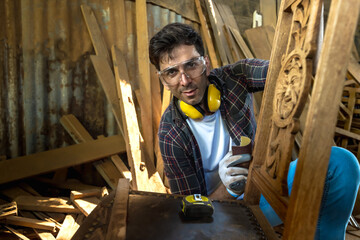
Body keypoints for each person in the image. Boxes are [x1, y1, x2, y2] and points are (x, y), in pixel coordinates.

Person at [149, 22, 360, 239]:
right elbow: (194, 213)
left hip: (261, 194)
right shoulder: (170, 135)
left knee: (340, 163)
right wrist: (229, 189)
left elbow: (289, 70)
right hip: (220, 217)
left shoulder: (235, 77)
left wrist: (313, 39)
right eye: (172, 72)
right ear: (164, 81)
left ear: (206, 64)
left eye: (191, 65)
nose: (184, 81)